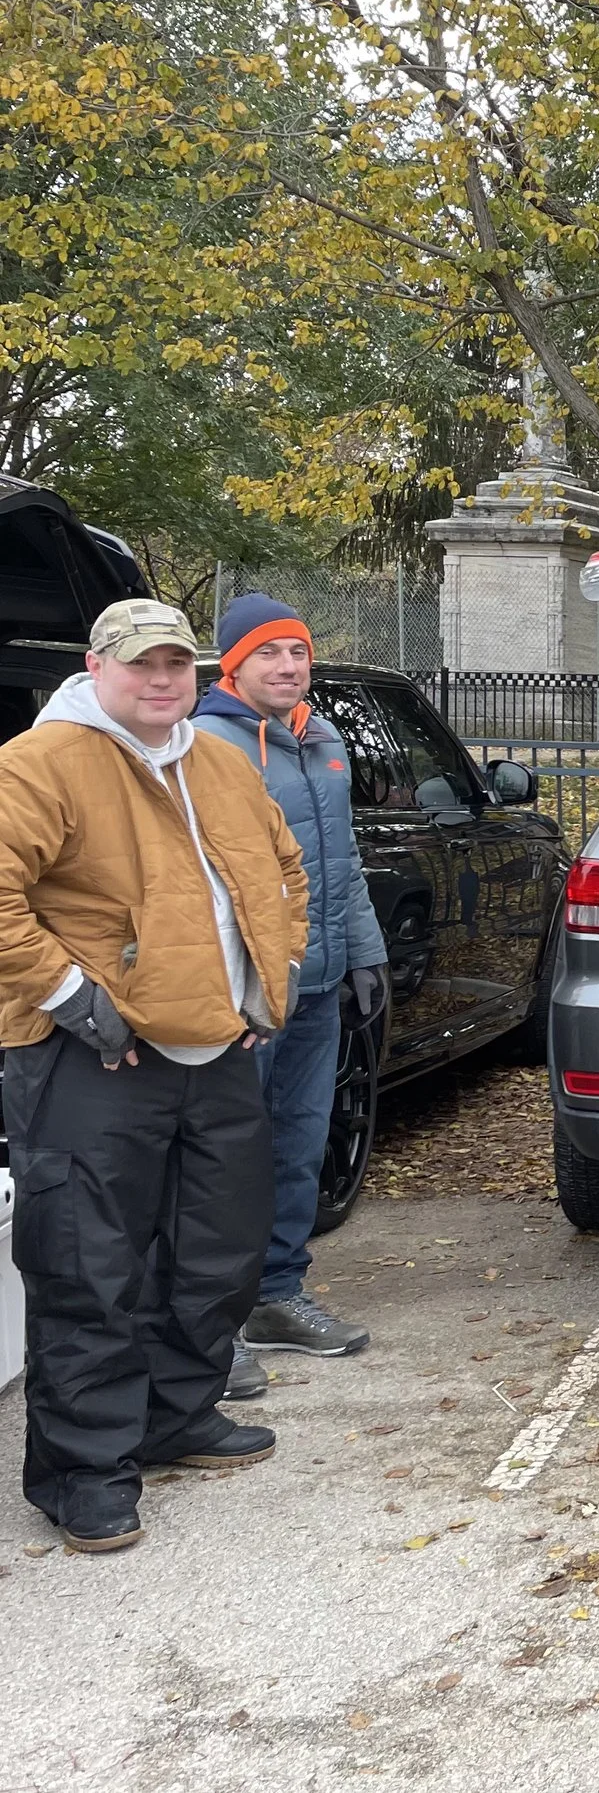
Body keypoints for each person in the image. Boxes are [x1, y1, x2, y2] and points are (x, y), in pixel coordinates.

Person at [0, 599, 308, 1552]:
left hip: (215, 1047)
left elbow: (283, 874)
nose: (163, 679)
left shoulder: (216, 760)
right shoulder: (40, 762)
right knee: (88, 1265)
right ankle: (84, 1470)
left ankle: (177, 1416)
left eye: (179, 662)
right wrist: (66, 993)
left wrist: (270, 982)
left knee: (217, 1250)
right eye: (142, 664)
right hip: (88, 1051)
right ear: (98, 666)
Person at [194, 595, 390, 1397]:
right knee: (223, 1160)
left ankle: (276, 1295)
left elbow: (339, 862)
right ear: (232, 664)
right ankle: (209, 1324)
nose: (286, 666)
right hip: (245, 992)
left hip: (317, 983)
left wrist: (363, 954)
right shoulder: (206, 743)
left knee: (299, 1145)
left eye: (297, 653)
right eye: (269, 653)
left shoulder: (324, 739)